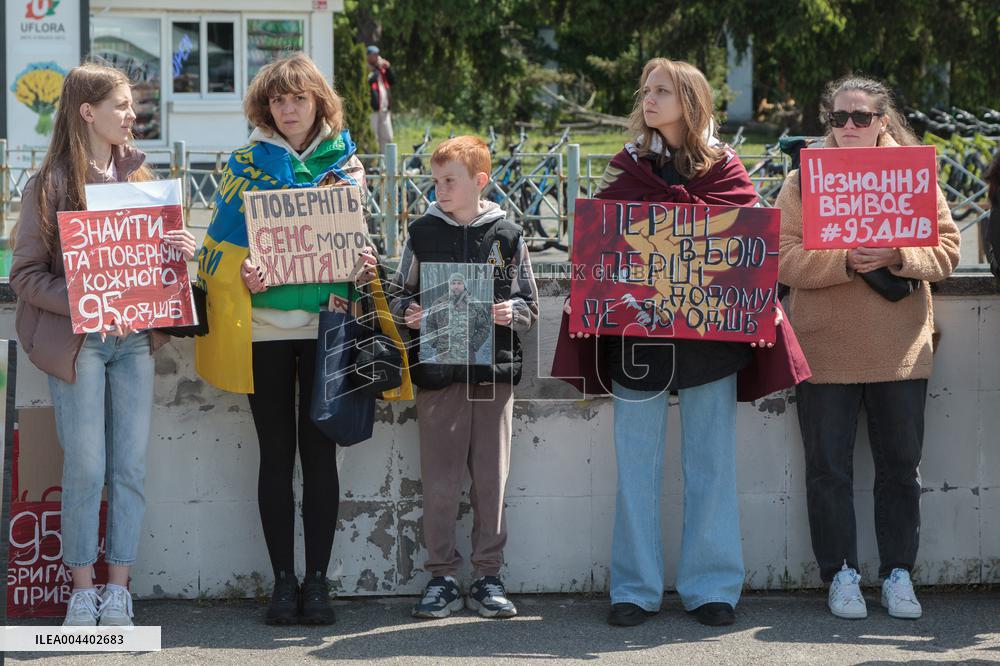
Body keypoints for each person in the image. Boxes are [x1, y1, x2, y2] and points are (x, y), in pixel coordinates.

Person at [556, 58, 779, 628]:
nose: (648, 99)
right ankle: (634, 588)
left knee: (711, 463)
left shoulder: (727, 169)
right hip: (640, 336)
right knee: (636, 465)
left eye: (662, 90)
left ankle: (712, 589)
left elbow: (750, 247)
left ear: (690, 99)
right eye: (646, 90)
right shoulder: (627, 168)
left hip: (711, 341)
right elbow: (599, 242)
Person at [10, 62, 196, 626]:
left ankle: (120, 588)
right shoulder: (50, 185)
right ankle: (82, 590)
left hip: (134, 342)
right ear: (88, 112)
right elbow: (24, 276)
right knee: (87, 467)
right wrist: (87, 300)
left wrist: (180, 249)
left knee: (130, 468)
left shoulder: (145, 182)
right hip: (80, 345)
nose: (132, 115)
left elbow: (156, 270)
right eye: (121, 105)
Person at [194, 53, 376, 626]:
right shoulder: (243, 163)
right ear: (265, 107)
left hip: (330, 329)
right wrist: (241, 269)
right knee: (276, 455)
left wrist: (366, 260)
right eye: (278, 99)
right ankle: (281, 583)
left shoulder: (346, 162)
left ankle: (318, 584)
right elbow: (213, 250)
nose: (288, 108)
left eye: (298, 97)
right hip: (265, 332)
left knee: (321, 455)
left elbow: (361, 243)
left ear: (319, 100)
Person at [777, 75, 961, 620]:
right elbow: (781, 257)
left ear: (883, 120)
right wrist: (844, 261)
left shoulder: (914, 175)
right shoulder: (801, 183)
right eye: (839, 118)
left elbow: (948, 250)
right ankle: (841, 574)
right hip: (823, 347)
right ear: (827, 122)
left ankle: (899, 573)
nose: (849, 126)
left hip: (899, 347)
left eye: (861, 117)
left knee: (901, 467)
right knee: (827, 469)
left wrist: (896, 253)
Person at [388, 136, 538, 619]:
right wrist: (409, 313)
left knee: (491, 480)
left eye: (449, 180)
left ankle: (489, 575)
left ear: (479, 181)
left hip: (492, 375)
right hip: (438, 372)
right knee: (440, 480)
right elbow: (395, 296)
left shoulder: (509, 235)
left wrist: (509, 311)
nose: (440, 190)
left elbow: (530, 305)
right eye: (435, 181)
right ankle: (442, 576)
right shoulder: (421, 233)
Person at [424, 271, 491, 363]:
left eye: (459, 283)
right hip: (443, 358)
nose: (456, 286)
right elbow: (429, 325)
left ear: (464, 285)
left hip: (467, 358)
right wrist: (435, 342)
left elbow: (485, 327)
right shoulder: (438, 303)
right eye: (453, 283)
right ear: (449, 285)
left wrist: (474, 344)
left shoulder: (474, 304)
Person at [367, 45, 395, 153]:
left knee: (388, 137)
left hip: (384, 109)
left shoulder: (382, 70)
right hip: (373, 110)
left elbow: (392, 81)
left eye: (377, 55)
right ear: (368, 57)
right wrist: (378, 68)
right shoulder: (367, 68)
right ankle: (374, 164)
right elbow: (370, 80)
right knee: (374, 138)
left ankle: (386, 164)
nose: (377, 57)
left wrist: (388, 68)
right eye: (374, 55)